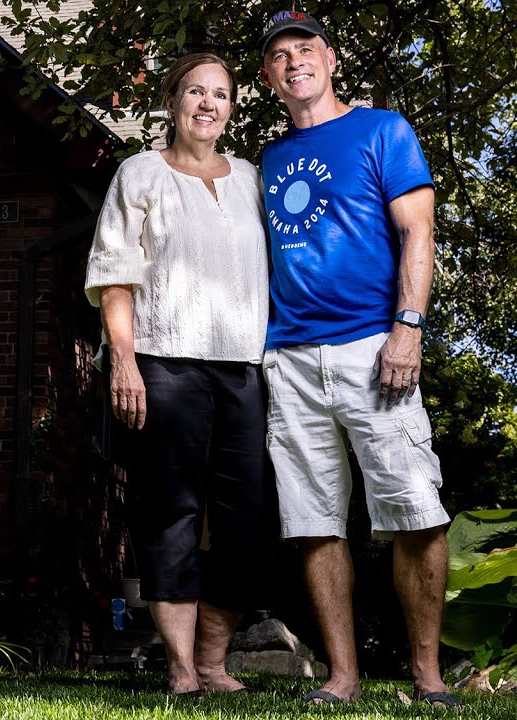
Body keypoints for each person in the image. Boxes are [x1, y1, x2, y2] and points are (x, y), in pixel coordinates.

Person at [256, 10, 462, 708]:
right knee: (314, 520)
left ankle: (427, 675)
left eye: (305, 48)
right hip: (288, 358)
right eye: (279, 56)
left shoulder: (383, 130)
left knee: (414, 509)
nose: (294, 62)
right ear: (266, 77)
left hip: (373, 347)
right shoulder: (271, 160)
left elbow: (418, 228)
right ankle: (343, 678)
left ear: (331, 59)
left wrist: (408, 327)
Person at [85, 53, 269, 696]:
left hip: (242, 368)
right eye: (196, 91)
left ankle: (217, 662)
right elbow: (114, 273)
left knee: (245, 517)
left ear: (232, 108)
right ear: (172, 100)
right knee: (170, 514)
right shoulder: (139, 173)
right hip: (164, 362)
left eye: (221, 94)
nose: (207, 104)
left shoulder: (250, 178)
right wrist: (125, 361)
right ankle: (184, 668)